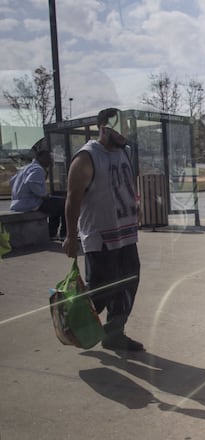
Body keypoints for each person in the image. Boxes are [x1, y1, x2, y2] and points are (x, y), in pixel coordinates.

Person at [63, 107, 144, 352]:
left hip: (126, 234)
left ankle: (114, 335)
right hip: (101, 239)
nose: (124, 134)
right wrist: (70, 236)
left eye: (126, 129)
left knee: (127, 288)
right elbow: (73, 198)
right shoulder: (86, 157)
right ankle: (70, 324)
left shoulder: (126, 152)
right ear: (103, 127)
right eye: (119, 129)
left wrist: (135, 203)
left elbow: (127, 182)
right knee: (99, 293)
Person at [9, 148, 67, 240]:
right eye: (47, 157)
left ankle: (52, 233)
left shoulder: (25, 168)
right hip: (30, 202)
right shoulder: (38, 169)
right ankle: (64, 234)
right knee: (66, 204)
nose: (49, 160)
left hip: (17, 203)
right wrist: (42, 194)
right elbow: (31, 182)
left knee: (54, 205)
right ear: (39, 157)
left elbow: (12, 181)